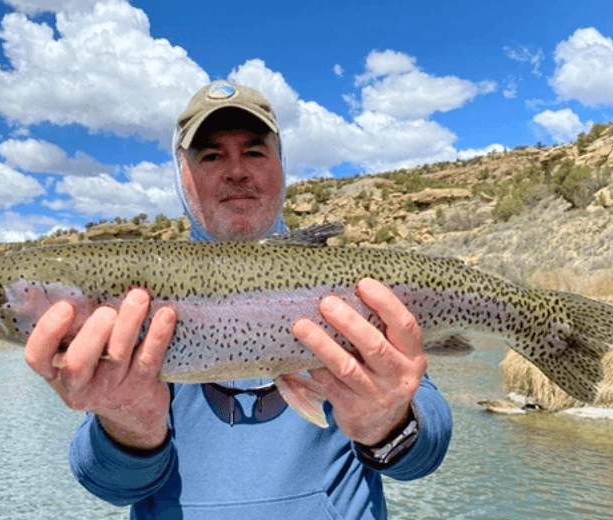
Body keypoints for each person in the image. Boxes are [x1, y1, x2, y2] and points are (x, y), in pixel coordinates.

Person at [25, 80, 453, 519]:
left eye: (253, 152)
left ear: (281, 163)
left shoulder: (347, 283)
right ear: (182, 171)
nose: (236, 171)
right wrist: (128, 425)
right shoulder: (137, 290)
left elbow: (426, 450)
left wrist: (390, 425)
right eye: (211, 155)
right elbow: (111, 486)